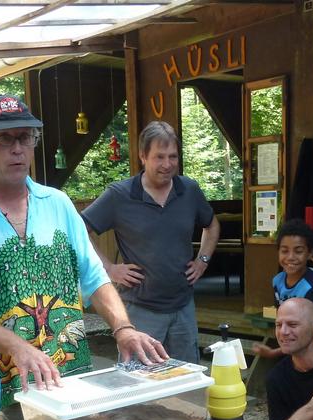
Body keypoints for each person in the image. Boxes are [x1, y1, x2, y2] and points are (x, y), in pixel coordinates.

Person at [0, 95, 166, 420]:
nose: (17, 149)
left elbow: (94, 275)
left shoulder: (58, 203)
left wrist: (123, 329)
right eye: (3, 138)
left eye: (25, 137)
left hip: (70, 383)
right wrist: (18, 347)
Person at [81, 120, 220, 364]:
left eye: (173, 156)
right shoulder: (120, 195)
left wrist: (203, 260)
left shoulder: (189, 190)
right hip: (140, 311)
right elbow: (80, 229)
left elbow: (212, 225)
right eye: (159, 157)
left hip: (183, 307)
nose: (167, 164)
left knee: (188, 378)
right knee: (139, 379)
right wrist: (109, 268)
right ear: (143, 156)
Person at [253, 219, 313, 362]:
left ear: (310, 253)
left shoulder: (312, 288)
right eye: (284, 251)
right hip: (294, 347)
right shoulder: (277, 281)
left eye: (298, 251)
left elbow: (311, 335)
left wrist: (274, 353)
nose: (290, 257)